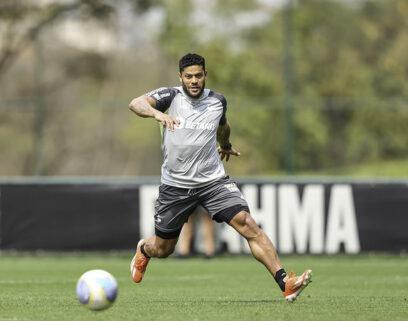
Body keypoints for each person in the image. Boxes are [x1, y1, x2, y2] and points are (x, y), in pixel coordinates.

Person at [128, 53, 312, 302]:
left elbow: (223, 125)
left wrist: (225, 143)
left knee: (247, 223)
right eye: (189, 76)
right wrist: (155, 114)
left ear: (205, 75)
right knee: (163, 249)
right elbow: (136, 103)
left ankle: (285, 283)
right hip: (176, 185)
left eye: (199, 76)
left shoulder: (217, 101)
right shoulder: (170, 97)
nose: (194, 81)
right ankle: (143, 250)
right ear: (180, 77)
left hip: (213, 181)